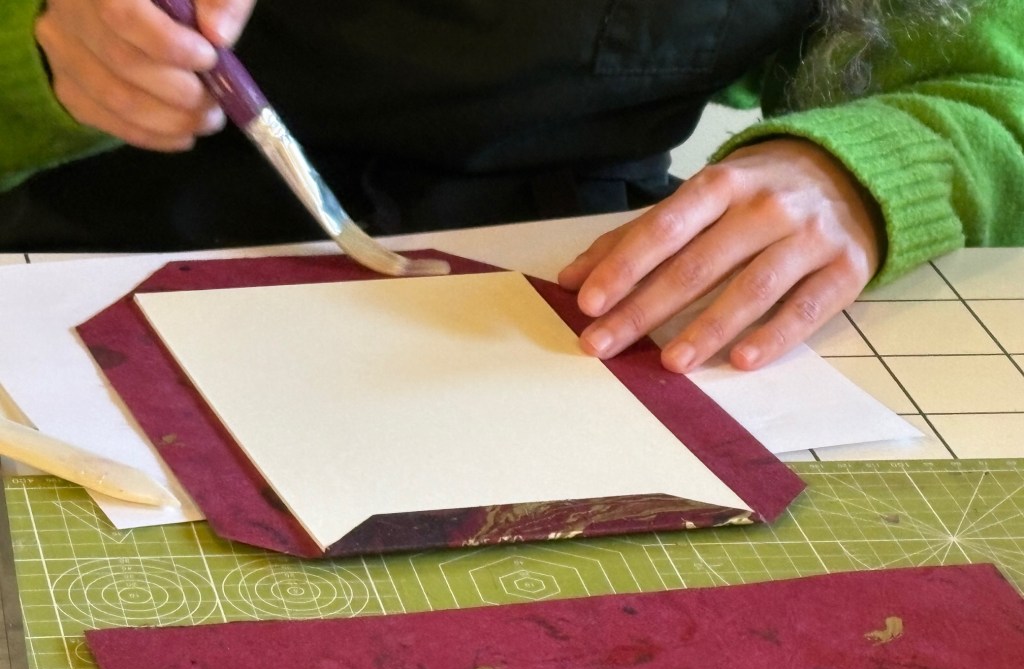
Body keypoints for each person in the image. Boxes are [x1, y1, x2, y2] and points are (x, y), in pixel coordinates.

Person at [2, 0, 1022, 373]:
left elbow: (992, 92)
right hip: (90, 264)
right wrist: (47, 44)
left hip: (585, 306)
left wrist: (863, 169)